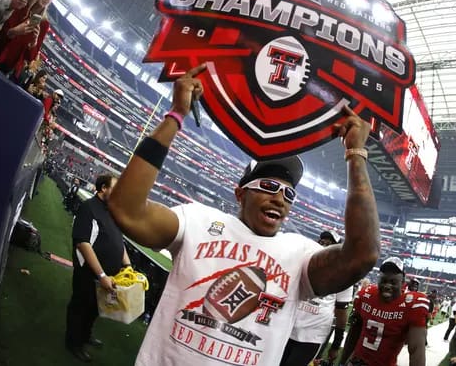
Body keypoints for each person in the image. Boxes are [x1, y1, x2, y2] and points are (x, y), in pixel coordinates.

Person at [108, 64, 381, 365]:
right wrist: (176, 115)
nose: (279, 197)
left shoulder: (300, 254)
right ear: (241, 194)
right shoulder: (197, 221)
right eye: (268, 186)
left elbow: (363, 254)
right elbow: (127, 210)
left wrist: (356, 156)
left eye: (289, 194)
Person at [65, 174, 132, 363]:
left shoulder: (112, 212)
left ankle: (85, 336)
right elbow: (83, 243)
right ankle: (73, 343)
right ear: (103, 188)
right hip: (88, 273)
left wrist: (127, 265)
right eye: (115, 188)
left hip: (108, 275)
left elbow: (119, 242)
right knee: (80, 306)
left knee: (95, 308)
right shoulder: (88, 208)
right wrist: (101, 274)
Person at [280, 230, 353, 366]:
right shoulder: (303, 262)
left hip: (313, 334)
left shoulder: (343, 274)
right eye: (321, 242)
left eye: (329, 244)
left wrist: (336, 344)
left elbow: (341, 313)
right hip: (288, 327)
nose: (323, 247)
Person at [340, 257, 428, 366]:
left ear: (403, 282)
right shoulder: (366, 296)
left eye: (393, 282)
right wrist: (343, 362)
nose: (387, 286)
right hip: (357, 362)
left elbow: (416, 349)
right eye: (384, 281)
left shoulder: (412, 305)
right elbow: (353, 335)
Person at [0, 0, 55, 77]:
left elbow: (30, 57)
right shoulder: (22, 2)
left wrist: (34, 43)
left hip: (8, 65)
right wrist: (14, 31)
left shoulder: (44, 24)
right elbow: (3, 28)